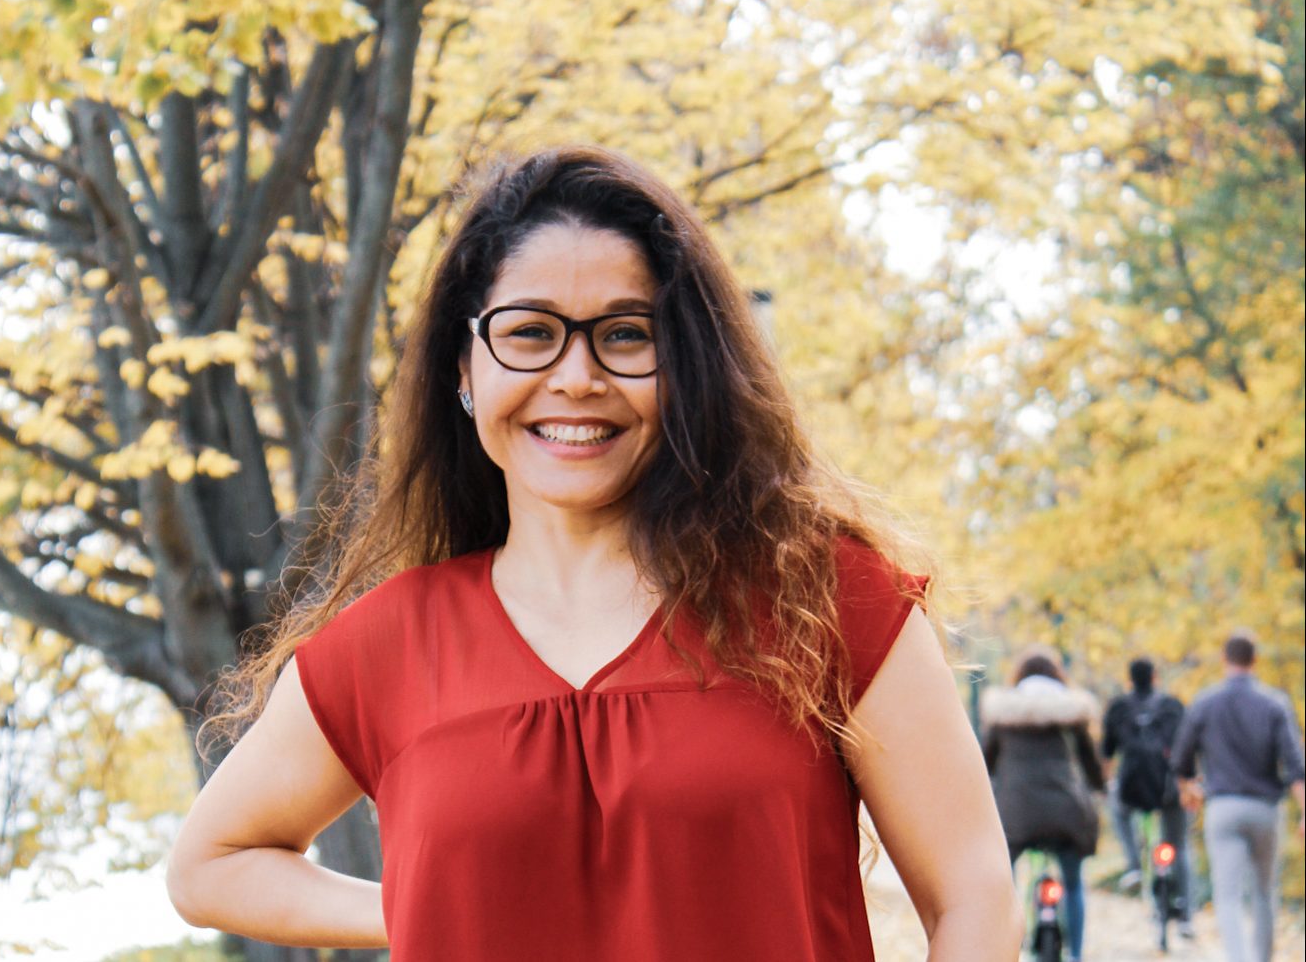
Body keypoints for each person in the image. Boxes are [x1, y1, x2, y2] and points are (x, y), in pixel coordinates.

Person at [163, 146, 1021, 959]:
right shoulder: (389, 644)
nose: (576, 377)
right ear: (463, 368)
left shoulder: (825, 597)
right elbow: (210, 866)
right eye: (530, 333)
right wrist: (422, 905)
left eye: (625, 334)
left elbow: (972, 893)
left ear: (686, 366)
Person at [1171, 631, 1306, 962]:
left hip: (1223, 807)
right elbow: (1295, 766)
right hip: (1265, 809)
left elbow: (1180, 759)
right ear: (1254, 660)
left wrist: (1189, 788)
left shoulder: (1205, 702)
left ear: (1224, 659)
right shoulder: (1274, 703)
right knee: (1264, 892)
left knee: (1227, 895)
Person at [982, 645, 1104, 962]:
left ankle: (1006, 946)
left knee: (1005, 880)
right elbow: (1092, 766)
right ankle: (1076, 954)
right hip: (1066, 812)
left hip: (1017, 814)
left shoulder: (1003, 717)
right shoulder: (1073, 716)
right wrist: (1099, 789)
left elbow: (985, 765)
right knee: (1073, 883)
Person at [1100, 656, 1192, 934]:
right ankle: (1186, 916)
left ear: (1129, 679)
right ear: (1155, 677)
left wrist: (1105, 784)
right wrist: (1188, 784)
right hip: (1168, 789)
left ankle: (1133, 865)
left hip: (1132, 789)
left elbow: (1106, 753)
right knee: (1179, 846)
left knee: (1117, 809)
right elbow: (1186, 748)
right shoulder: (1172, 706)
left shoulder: (1119, 707)